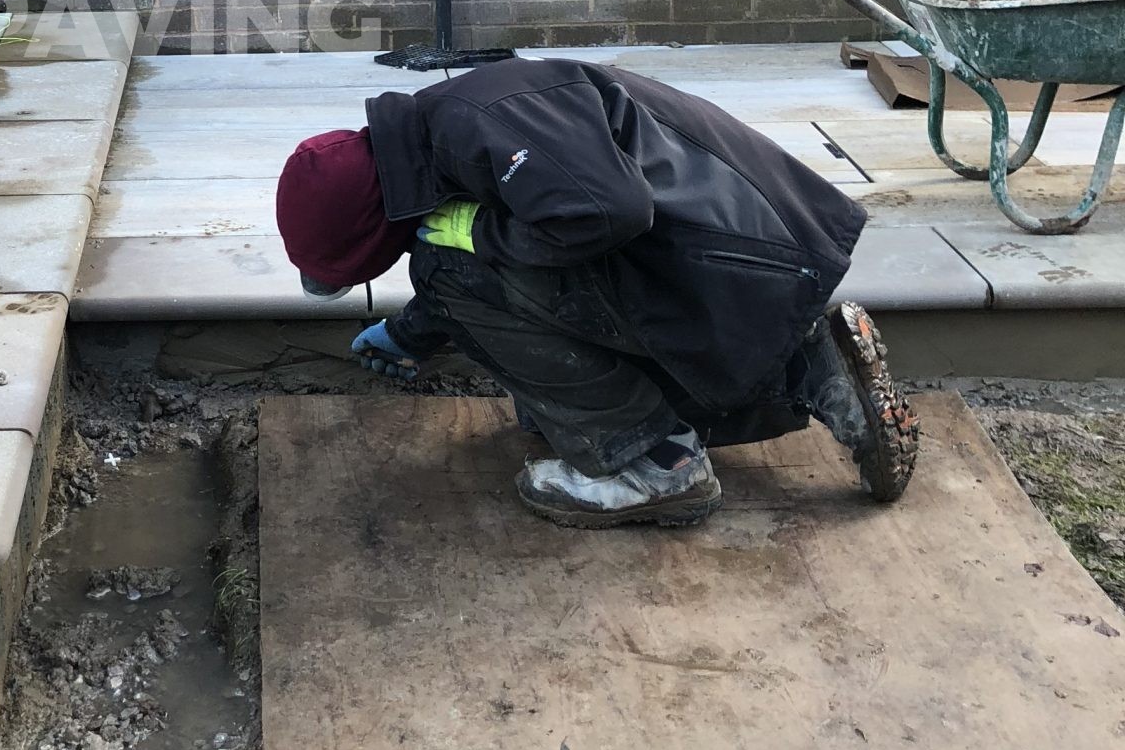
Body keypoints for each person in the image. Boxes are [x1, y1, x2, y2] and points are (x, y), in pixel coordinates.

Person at [274, 52, 917, 528]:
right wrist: (412, 333)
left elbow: (611, 213)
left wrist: (481, 236)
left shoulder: (473, 130)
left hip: (733, 266)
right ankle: (812, 367)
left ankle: (653, 462)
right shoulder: (451, 124)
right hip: (750, 264)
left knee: (447, 268)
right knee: (520, 362)